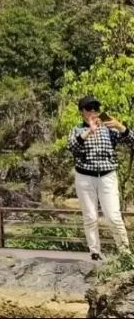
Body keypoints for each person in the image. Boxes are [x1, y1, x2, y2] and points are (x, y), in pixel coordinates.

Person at [68, 95, 133, 261]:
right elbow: (72, 147)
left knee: (113, 216)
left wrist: (120, 126)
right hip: (85, 176)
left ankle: (125, 253)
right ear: (82, 111)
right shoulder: (77, 130)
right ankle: (94, 252)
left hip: (107, 176)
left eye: (95, 108)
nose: (93, 111)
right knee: (90, 217)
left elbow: (131, 140)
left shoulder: (109, 129)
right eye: (88, 108)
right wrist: (89, 131)